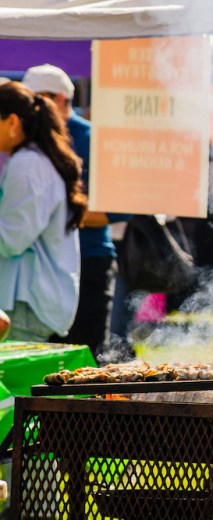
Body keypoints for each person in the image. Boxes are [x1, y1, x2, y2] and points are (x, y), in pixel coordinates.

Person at [22, 64, 127, 358]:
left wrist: (52, 216)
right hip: (41, 263)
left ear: (57, 99)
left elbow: (119, 210)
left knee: (86, 356)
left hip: (91, 259)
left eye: (35, 100)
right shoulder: (28, 140)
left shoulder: (94, 138)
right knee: (43, 355)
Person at [0, 81, 87, 341]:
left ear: (12, 122)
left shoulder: (28, 164)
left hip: (25, 303)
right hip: (30, 300)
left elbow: (11, 239)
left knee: (16, 381)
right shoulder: (32, 160)